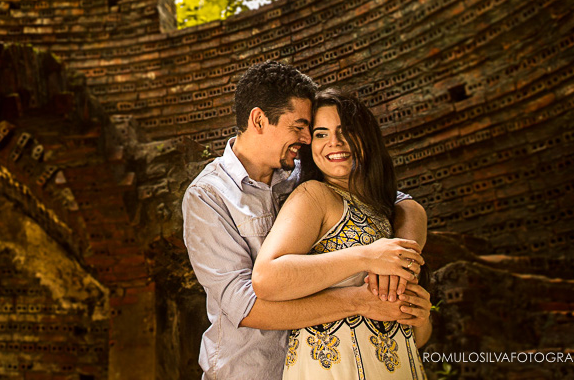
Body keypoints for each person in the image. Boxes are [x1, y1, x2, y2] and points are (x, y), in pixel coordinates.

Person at [183, 61, 429, 380]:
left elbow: (396, 201)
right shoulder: (208, 196)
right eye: (300, 126)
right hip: (252, 372)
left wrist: (402, 254)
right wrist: (360, 300)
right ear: (259, 120)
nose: (308, 137)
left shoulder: (303, 171)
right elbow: (245, 306)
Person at [253, 88, 431, 378]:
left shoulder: (386, 212)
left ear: (366, 137)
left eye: (345, 130)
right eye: (321, 134)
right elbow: (266, 278)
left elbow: (415, 337)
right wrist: (366, 257)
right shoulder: (314, 195)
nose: (334, 142)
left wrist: (420, 316)